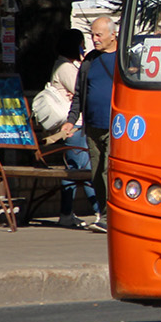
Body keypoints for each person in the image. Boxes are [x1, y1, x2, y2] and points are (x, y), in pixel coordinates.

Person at [42, 29, 93, 228]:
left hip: (77, 125)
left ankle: (66, 213)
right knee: (85, 170)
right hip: (75, 125)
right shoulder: (65, 67)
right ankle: (100, 212)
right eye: (81, 43)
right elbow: (84, 90)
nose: (84, 47)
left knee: (73, 169)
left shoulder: (69, 65)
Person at [71, 15, 118, 232]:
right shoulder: (90, 60)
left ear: (112, 35)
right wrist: (72, 120)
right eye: (92, 34)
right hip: (92, 126)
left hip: (115, 128)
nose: (94, 39)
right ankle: (102, 213)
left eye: (99, 35)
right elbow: (79, 93)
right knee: (97, 173)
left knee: (108, 171)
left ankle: (111, 218)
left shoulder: (123, 60)